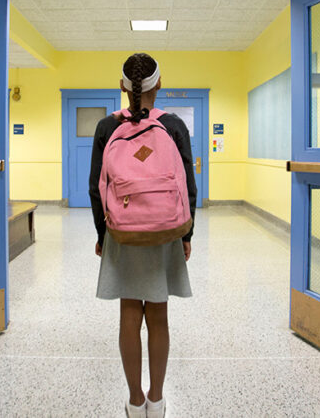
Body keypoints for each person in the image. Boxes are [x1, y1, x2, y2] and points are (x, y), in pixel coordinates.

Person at [89, 53, 197, 418]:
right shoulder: (174, 125)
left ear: (122, 86)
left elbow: (95, 188)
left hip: (123, 233)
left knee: (129, 314)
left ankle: (135, 401)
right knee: (159, 316)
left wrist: (104, 235)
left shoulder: (107, 127)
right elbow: (188, 184)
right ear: (159, 84)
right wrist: (186, 234)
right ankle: (157, 399)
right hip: (165, 232)